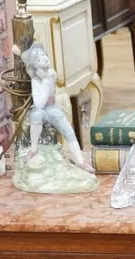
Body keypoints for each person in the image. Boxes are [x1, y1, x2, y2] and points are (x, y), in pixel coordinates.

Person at [17, 42, 92, 172]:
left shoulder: (51, 74)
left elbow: (48, 83)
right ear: (34, 65)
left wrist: (45, 80)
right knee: (36, 114)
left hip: (53, 108)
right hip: (41, 110)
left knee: (68, 131)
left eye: (44, 55)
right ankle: (34, 149)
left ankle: (80, 160)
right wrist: (42, 81)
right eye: (40, 58)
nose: (45, 58)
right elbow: (39, 103)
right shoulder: (35, 81)